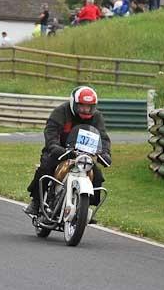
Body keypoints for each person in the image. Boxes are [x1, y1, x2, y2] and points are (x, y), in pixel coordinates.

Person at [23, 86, 112, 218]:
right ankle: (36, 201)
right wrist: (55, 147)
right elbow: (51, 132)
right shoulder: (61, 112)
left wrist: (104, 153)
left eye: (88, 107)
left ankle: (85, 207)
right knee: (45, 168)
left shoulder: (96, 117)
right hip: (60, 151)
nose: (85, 110)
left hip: (83, 155)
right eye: (82, 106)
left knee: (97, 176)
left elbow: (103, 137)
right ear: (74, 103)